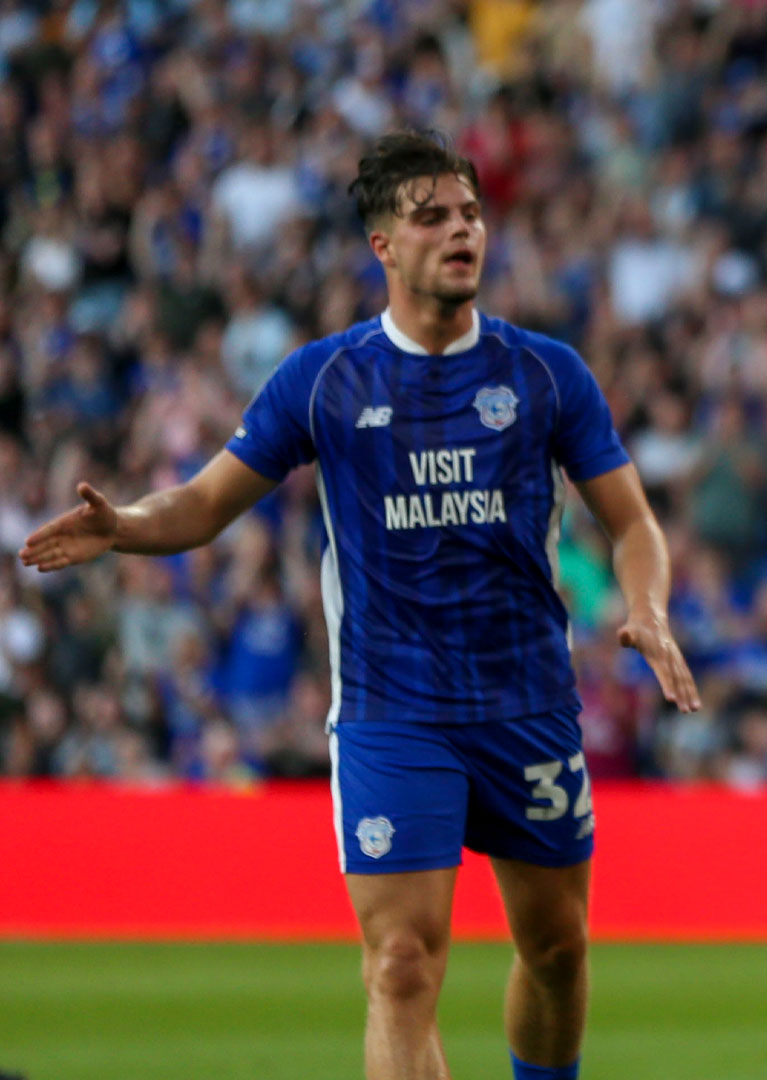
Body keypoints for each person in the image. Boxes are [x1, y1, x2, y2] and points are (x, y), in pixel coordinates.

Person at [20, 130, 703, 1080]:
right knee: (400, 964)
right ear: (382, 245)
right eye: (432, 218)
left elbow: (632, 522)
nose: (461, 230)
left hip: (528, 703)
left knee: (557, 951)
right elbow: (205, 502)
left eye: (469, 213)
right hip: (393, 710)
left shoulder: (544, 373)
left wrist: (650, 605)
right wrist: (128, 525)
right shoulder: (325, 379)